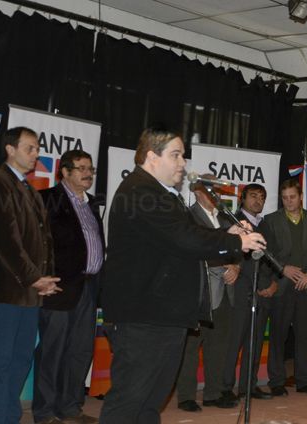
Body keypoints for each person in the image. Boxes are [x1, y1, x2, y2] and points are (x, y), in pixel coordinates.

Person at [98, 127, 266, 424]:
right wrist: (235, 242)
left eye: (183, 156)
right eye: (175, 155)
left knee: (151, 401)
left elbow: (188, 233)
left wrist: (227, 231)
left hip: (162, 313)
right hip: (143, 315)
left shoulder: (161, 194)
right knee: (129, 400)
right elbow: (183, 238)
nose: (183, 163)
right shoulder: (140, 191)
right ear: (152, 156)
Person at [0, 127, 60, 424]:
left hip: (29, 292)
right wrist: (34, 278)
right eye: (30, 148)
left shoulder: (29, 189)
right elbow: (5, 242)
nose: (36, 154)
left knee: (21, 359)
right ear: (10, 149)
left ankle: (8, 417)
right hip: (5, 292)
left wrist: (45, 279)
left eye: (37, 148)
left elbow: (43, 240)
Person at [33, 150, 105, 424]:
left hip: (89, 286)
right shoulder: (47, 199)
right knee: (53, 350)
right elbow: (35, 242)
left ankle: (71, 408)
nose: (88, 174)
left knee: (80, 350)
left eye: (90, 169)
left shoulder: (91, 204)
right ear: (64, 171)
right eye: (81, 168)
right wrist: (42, 277)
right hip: (59, 287)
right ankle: (44, 412)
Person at [175, 176, 240, 412]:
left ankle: (213, 393)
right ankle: (186, 396)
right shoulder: (188, 217)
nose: (216, 195)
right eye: (211, 190)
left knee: (219, 345)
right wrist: (222, 265)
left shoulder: (225, 218)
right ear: (197, 192)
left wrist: (236, 267)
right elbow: (193, 250)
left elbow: (237, 249)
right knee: (191, 347)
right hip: (200, 291)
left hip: (225, 291)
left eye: (218, 191)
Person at [262, 179, 307, 397]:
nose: (289, 201)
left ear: (300, 197)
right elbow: (266, 252)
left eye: (292, 197)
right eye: (284, 198)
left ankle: (304, 381)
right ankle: (276, 381)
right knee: (278, 336)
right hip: (282, 286)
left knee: (305, 337)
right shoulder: (271, 220)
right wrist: (283, 269)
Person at [221, 183, 274, 401]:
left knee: (255, 341)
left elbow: (271, 257)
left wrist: (272, 283)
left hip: (262, 291)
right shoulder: (232, 221)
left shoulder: (266, 224)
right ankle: (225, 387)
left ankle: (248, 386)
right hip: (240, 289)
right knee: (234, 341)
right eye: (253, 196)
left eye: (262, 197)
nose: (258, 201)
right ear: (242, 198)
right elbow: (231, 256)